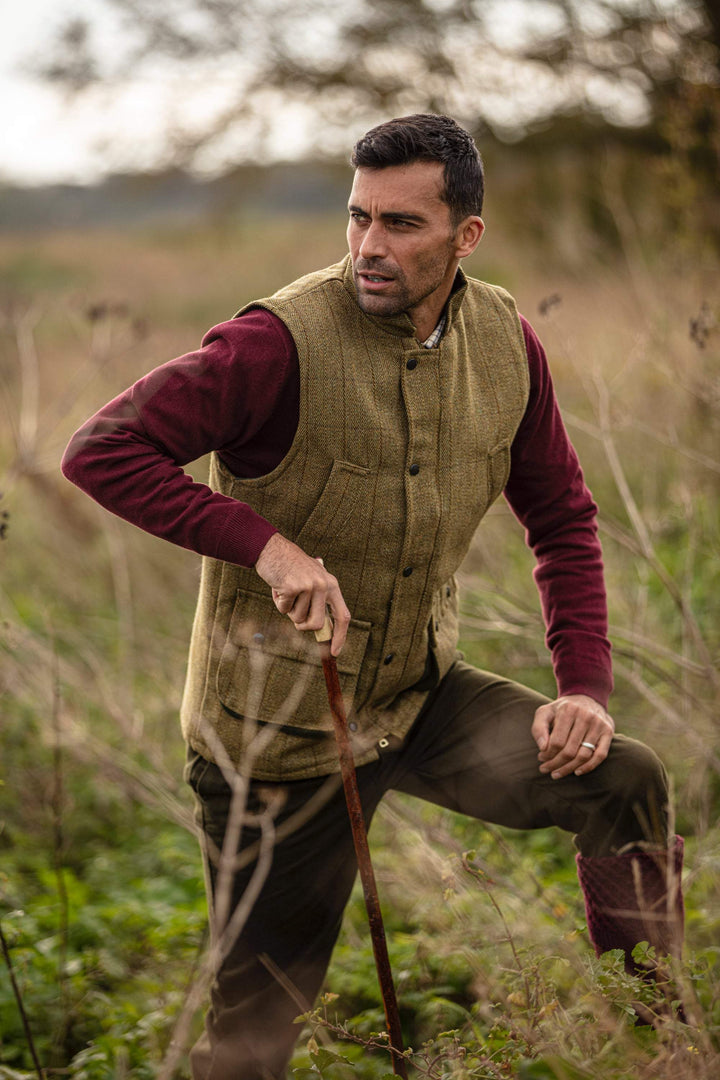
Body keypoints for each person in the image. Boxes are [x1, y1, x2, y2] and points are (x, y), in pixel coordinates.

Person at [62, 114, 684, 1078]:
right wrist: (263, 547)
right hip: (276, 738)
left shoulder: (507, 342)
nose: (368, 247)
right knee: (251, 1044)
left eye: (400, 224)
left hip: (420, 699)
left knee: (623, 780)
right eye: (357, 218)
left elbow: (562, 518)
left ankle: (659, 1040)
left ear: (465, 236)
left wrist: (584, 690)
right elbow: (100, 450)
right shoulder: (273, 345)